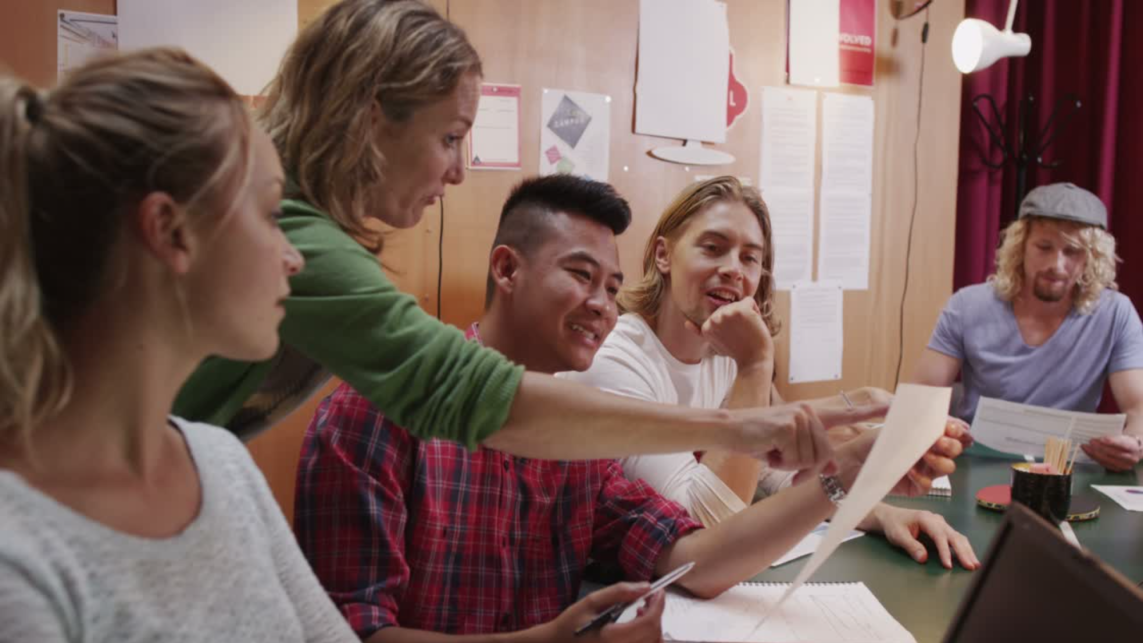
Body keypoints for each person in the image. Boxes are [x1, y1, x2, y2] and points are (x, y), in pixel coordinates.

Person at [171, 0, 879, 463]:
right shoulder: (292, 235)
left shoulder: (295, 223)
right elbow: (469, 392)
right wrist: (744, 429)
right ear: (369, 115)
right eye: (448, 137)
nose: (455, 172)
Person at [293, 175, 967, 641]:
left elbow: (697, 560)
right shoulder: (369, 417)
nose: (601, 306)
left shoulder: (578, 439)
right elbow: (351, 633)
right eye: (580, 276)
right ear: (506, 269)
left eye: (611, 287)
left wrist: (846, 473)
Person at [0, 50, 356, 640]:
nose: (293, 256)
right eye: (271, 214)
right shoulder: (20, 551)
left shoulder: (220, 462)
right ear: (171, 231)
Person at [560, 176, 978, 569]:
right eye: (712, 247)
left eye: (749, 257)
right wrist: (755, 367)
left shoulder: (723, 355)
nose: (733, 270)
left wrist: (879, 513)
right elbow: (705, 527)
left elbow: (772, 476)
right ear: (664, 255)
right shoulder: (616, 360)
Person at [914, 182, 1143, 472]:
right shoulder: (967, 305)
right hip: (977, 464)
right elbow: (923, 392)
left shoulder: (1116, 312)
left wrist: (1136, 441)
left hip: (1068, 468)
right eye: (1044, 247)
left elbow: (1138, 407)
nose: (1056, 265)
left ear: (1092, 258)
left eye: (1072, 252)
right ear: (1020, 247)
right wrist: (938, 421)